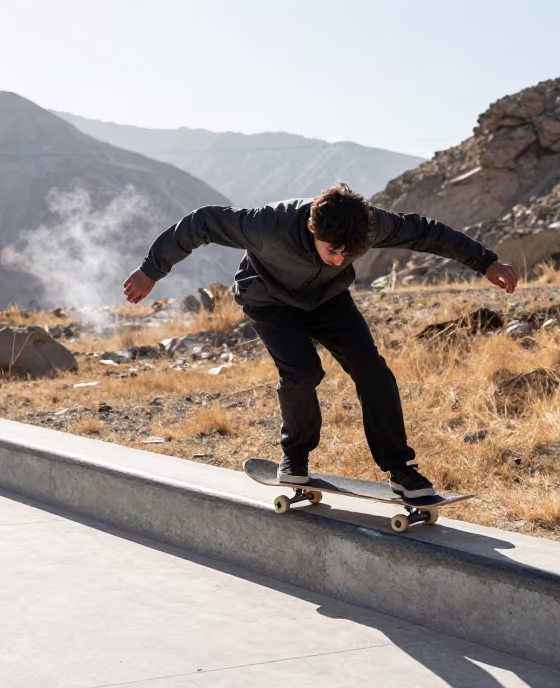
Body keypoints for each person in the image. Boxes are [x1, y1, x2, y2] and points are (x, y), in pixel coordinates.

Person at [123, 183, 519, 498]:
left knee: (371, 369)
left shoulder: (369, 224)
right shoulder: (266, 225)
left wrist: (485, 261)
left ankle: (400, 469)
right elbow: (201, 223)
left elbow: (427, 233)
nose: (339, 258)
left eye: (350, 254)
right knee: (303, 372)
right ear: (313, 227)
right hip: (270, 301)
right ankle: (294, 457)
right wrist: (150, 270)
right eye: (333, 251)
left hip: (328, 300)